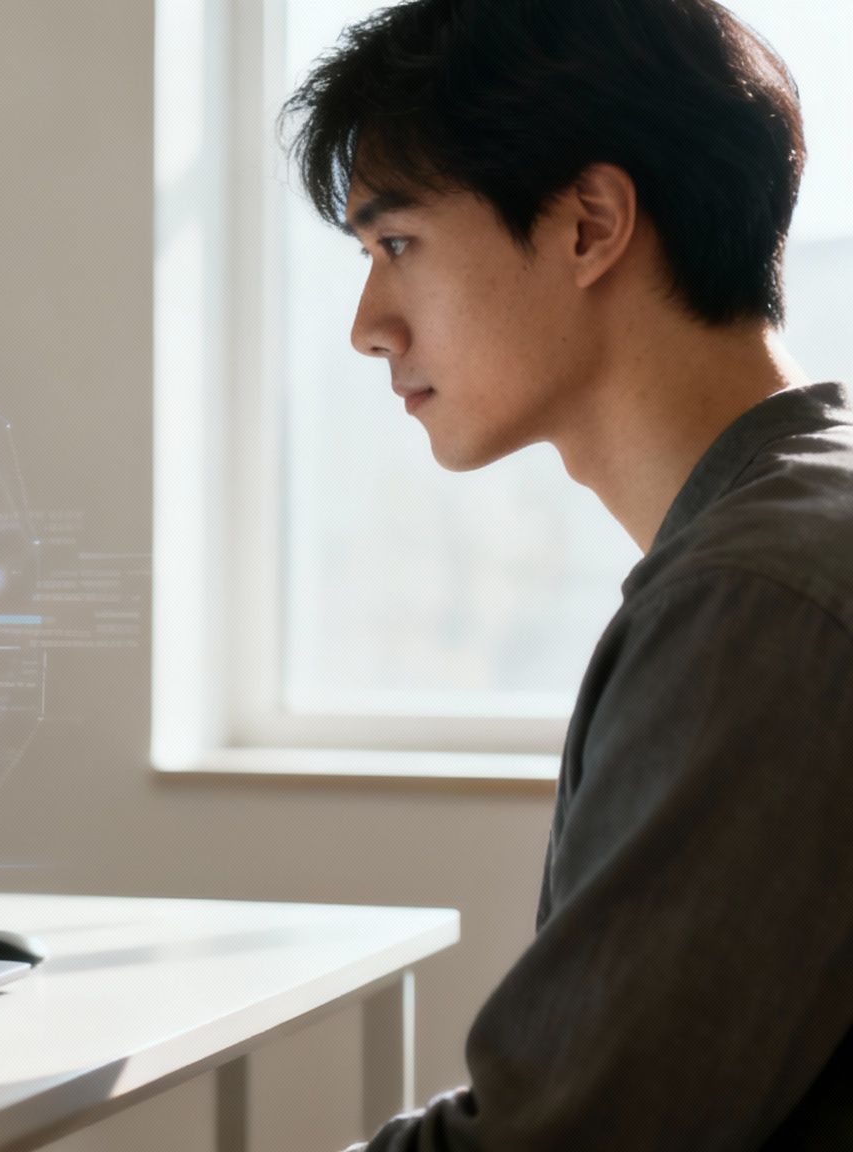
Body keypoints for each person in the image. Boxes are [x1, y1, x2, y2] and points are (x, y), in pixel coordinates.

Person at [279, 1, 853, 1147]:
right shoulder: (791, 530)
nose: (366, 326)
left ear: (588, 225)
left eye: (396, 245)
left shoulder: (756, 593)